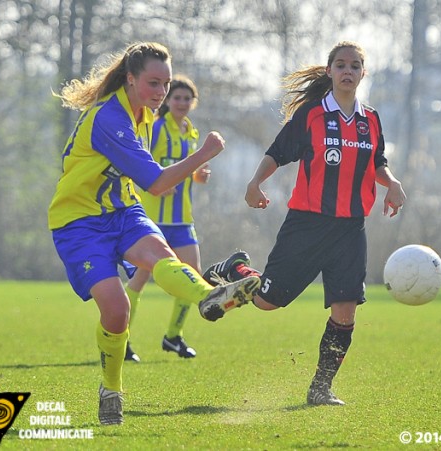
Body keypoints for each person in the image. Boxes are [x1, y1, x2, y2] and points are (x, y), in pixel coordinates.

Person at [48, 42, 260, 425]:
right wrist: (204, 153)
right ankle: (111, 388)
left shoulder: (141, 112)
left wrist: (192, 167)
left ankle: (210, 297)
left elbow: (146, 180)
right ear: (130, 79)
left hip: (123, 211)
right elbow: (157, 183)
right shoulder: (110, 119)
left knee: (162, 257)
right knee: (117, 311)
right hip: (79, 222)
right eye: (153, 83)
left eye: (165, 83)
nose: (161, 93)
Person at [198, 41, 407, 406]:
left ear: (363, 73)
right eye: (341, 65)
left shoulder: (370, 119)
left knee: (346, 313)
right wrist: (254, 183)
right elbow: (278, 152)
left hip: (350, 229)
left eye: (355, 66)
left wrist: (393, 185)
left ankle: (320, 388)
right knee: (267, 302)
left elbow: (377, 162)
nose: (348, 71)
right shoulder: (312, 115)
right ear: (329, 71)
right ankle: (236, 268)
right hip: (307, 224)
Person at [124, 75, 211, 362]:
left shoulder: (191, 131)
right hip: (153, 218)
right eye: (177, 97)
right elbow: (141, 162)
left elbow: (188, 168)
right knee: (140, 278)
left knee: (192, 276)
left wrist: (198, 175)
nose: (182, 103)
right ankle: (121, 338)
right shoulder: (158, 128)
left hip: (182, 218)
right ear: (167, 100)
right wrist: (157, 184)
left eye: (187, 99)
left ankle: (173, 336)